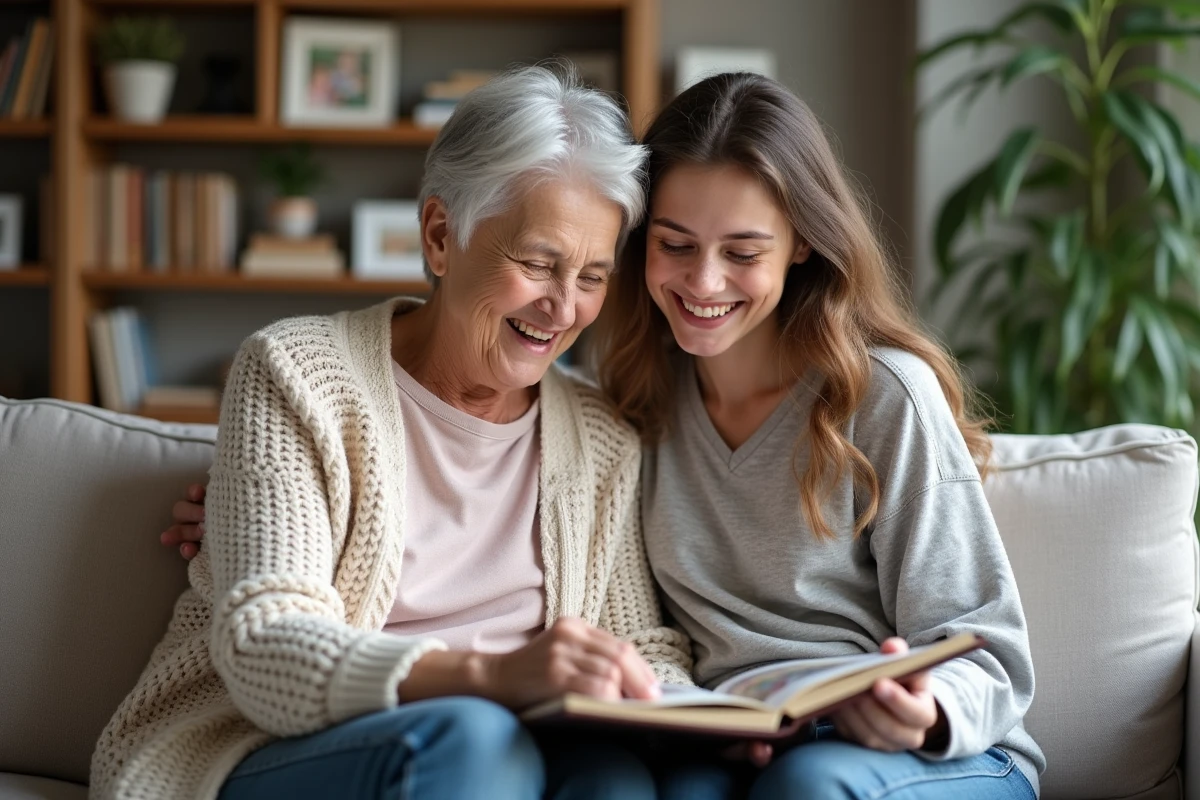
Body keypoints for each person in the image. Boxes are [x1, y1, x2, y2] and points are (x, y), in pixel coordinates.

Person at [94, 65, 693, 800]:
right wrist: (494, 679)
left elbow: (637, 639)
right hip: (271, 746)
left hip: (519, 749)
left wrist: (678, 700)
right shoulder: (297, 373)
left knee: (617, 782)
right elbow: (263, 641)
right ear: (442, 236)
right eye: (539, 263)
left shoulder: (603, 437)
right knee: (474, 743)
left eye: (593, 277)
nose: (564, 308)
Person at [591, 72, 1044, 799]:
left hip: (940, 754)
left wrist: (924, 712)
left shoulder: (883, 395)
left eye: (742, 253)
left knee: (806, 789)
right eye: (675, 244)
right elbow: (647, 633)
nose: (703, 282)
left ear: (802, 243)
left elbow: (991, 651)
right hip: (743, 742)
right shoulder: (634, 403)